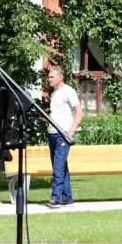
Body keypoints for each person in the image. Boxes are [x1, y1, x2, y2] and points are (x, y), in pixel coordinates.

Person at [46, 66, 84, 208]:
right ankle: (67, 198)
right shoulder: (54, 93)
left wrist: (71, 131)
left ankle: (55, 198)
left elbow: (79, 112)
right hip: (52, 134)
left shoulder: (68, 91)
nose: (49, 79)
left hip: (63, 135)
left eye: (52, 77)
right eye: (49, 77)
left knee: (58, 166)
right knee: (62, 167)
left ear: (60, 77)